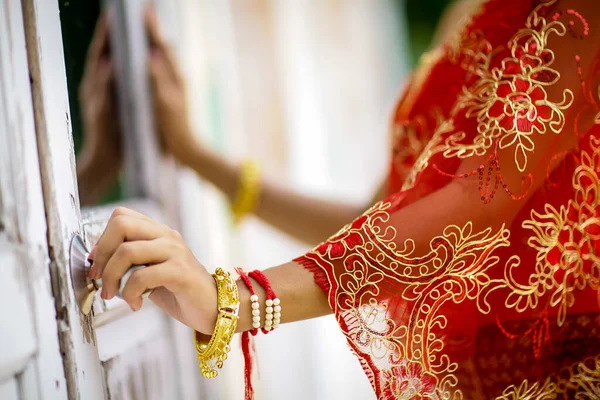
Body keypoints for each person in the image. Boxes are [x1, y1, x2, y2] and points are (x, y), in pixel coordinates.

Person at [80, 0, 600, 398]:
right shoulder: (477, 11)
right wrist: (196, 156)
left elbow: (480, 197)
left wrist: (234, 300)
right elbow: (382, 214)